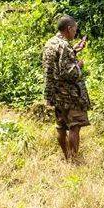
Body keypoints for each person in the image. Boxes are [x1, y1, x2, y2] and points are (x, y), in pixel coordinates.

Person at [42, 15, 90, 161]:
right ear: (68, 28)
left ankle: (67, 157)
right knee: (74, 126)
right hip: (70, 94)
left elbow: (55, 65)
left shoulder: (50, 43)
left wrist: (73, 51)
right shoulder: (63, 45)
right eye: (75, 30)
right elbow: (67, 71)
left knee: (61, 126)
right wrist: (79, 66)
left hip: (56, 93)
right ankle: (73, 159)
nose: (75, 33)